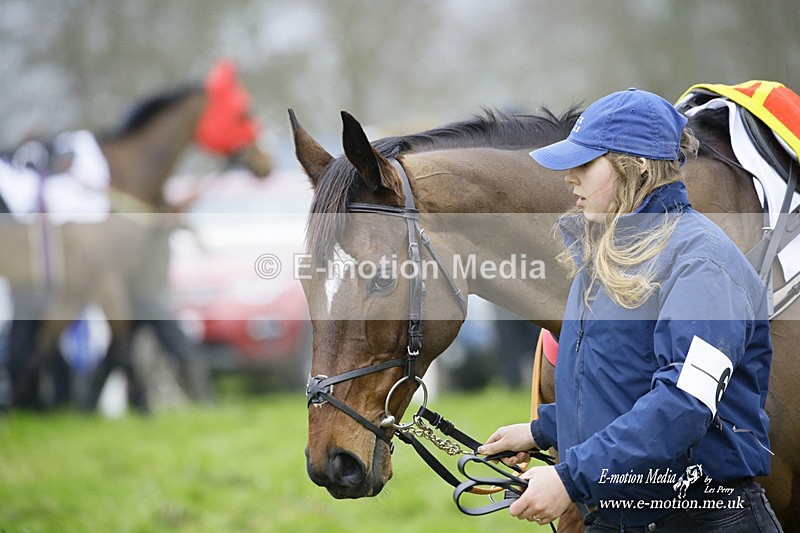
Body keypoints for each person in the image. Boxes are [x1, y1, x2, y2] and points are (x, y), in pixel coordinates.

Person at [478, 89, 782, 531]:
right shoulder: (604, 254)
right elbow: (624, 385)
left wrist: (569, 478)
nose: (569, 178)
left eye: (586, 163)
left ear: (638, 164)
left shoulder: (704, 263)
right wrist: (545, 430)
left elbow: (684, 403)